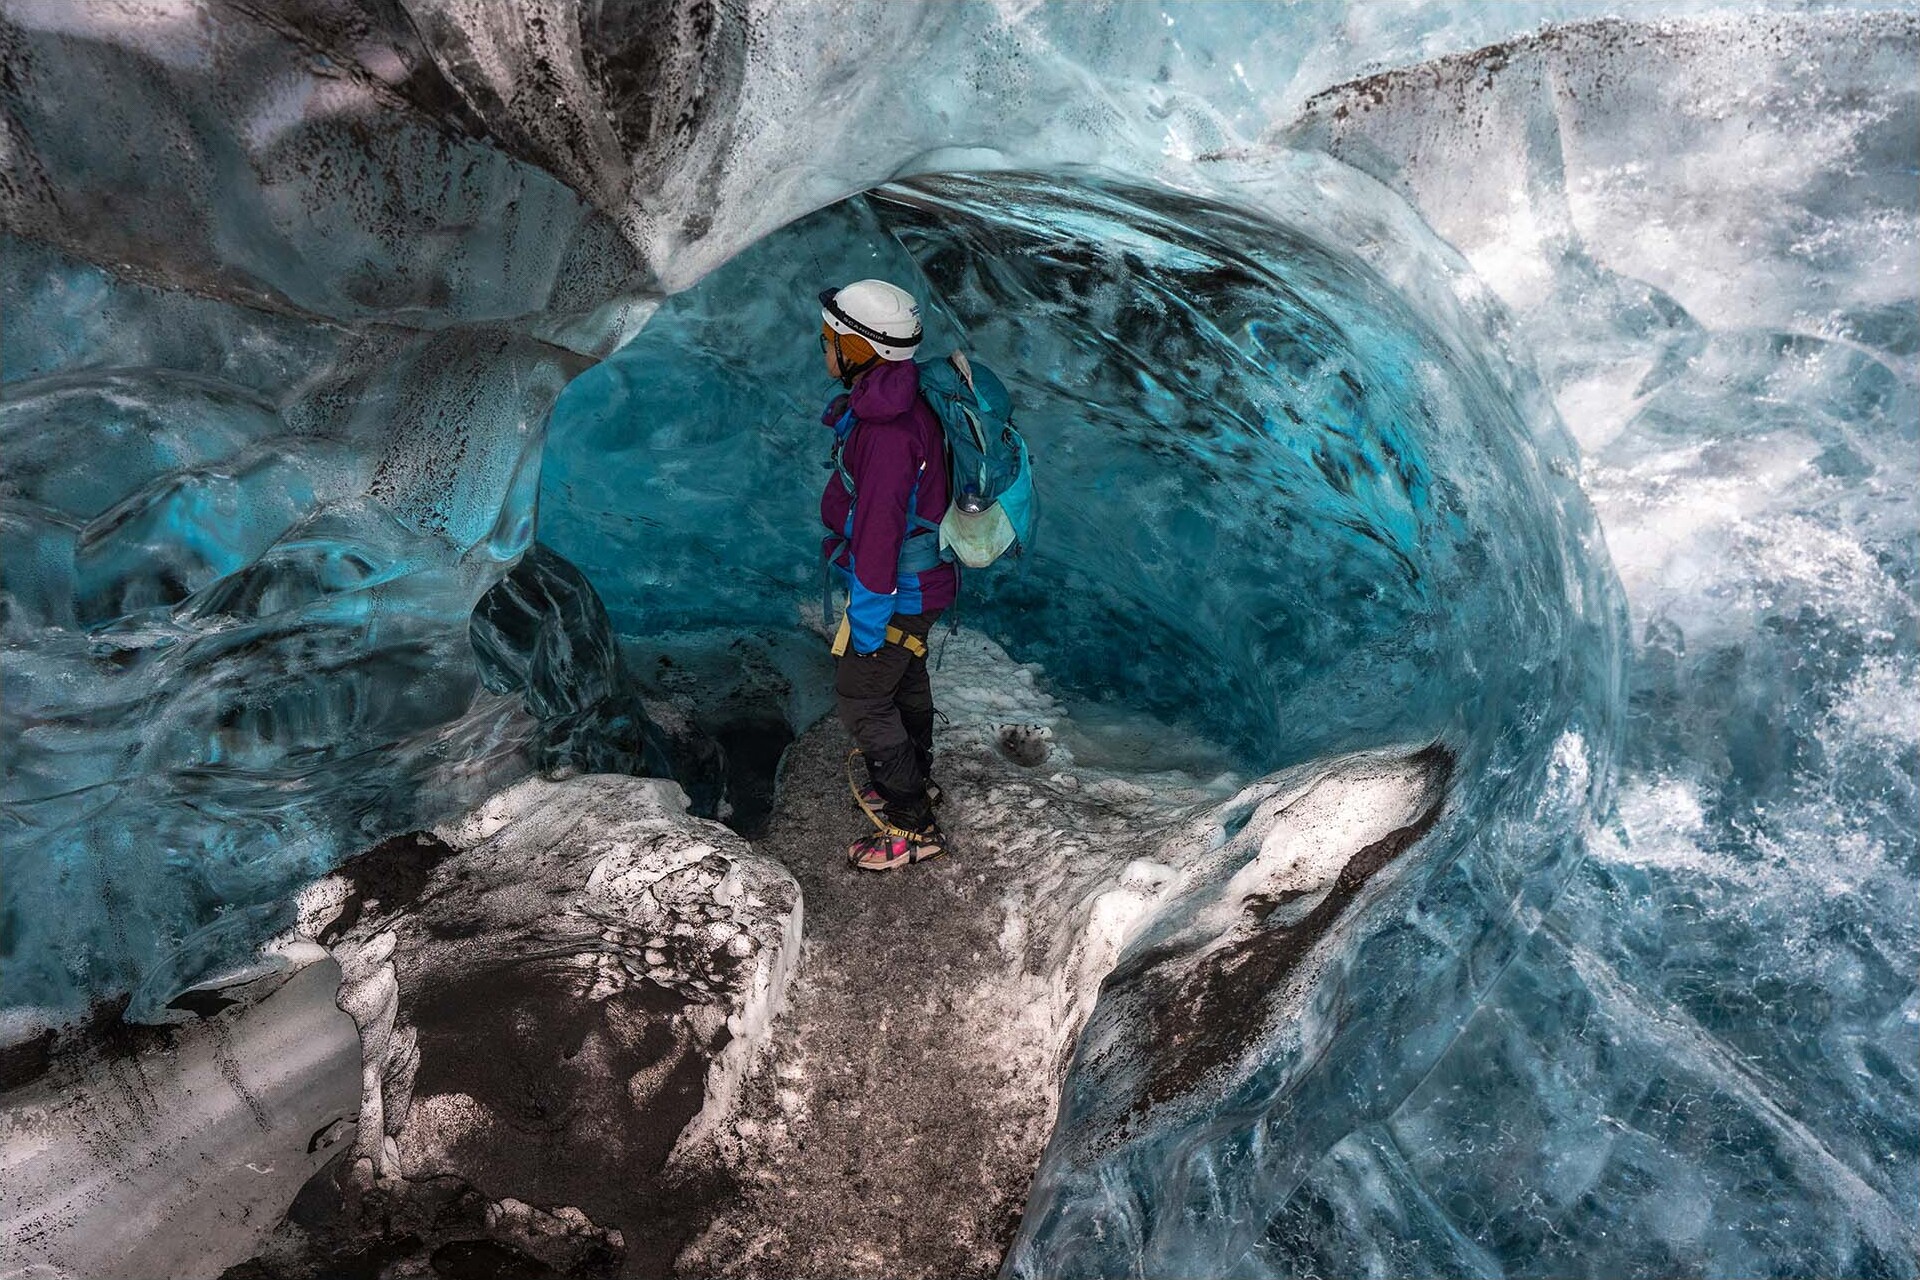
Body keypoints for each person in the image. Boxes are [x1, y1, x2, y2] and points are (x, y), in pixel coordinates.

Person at [817, 279, 956, 872]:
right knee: (903, 679)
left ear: (861, 348)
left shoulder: (886, 432)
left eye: (830, 339)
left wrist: (867, 617)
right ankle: (914, 781)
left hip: (900, 586)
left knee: (863, 697)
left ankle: (910, 825)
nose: (823, 349)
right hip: (919, 580)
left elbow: (879, 533)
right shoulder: (899, 400)